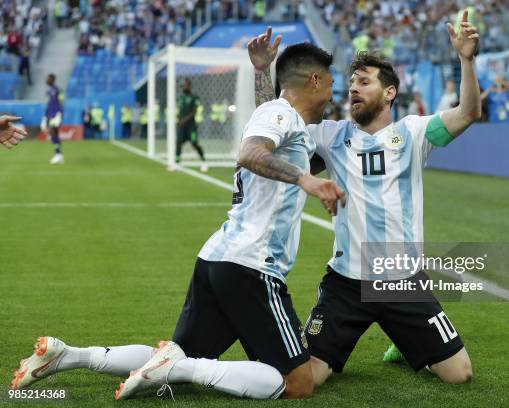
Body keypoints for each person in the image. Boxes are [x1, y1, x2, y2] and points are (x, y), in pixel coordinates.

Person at [11, 42, 345, 401]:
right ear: (314, 80)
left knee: (181, 351)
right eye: (330, 84)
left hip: (219, 259)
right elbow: (249, 153)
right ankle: (176, 368)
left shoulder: (276, 114)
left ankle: (71, 355)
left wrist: (261, 71)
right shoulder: (282, 115)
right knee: (298, 382)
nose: (331, 93)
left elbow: (268, 117)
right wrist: (306, 179)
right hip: (252, 266)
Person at [250, 13, 478, 387]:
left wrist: (466, 61)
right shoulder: (330, 134)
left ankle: (405, 345)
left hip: (402, 282)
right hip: (346, 282)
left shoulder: (414, 132)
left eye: (364, 82)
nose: (353, 88)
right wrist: (263, 73)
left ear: (389, 92)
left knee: (460, 376)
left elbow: (469, 112)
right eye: (352, 82)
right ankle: (401, 340)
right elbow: (274, 124)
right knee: (308, 378)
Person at [175, 79, 207, 172]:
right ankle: (177, 163)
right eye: (183, 85)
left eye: (185, 85)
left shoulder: (194, 97)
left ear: (189, 86)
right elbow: (179, 110)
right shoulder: (180, 98)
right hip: (181, 126)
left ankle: (204, 162)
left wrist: (184, 120)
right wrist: (178, 118)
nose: (184, 87)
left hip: (191, 126)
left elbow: (194, 111)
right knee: (178, 143)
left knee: (194, 143)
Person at [43, 74, 64, 164]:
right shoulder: (48, 91)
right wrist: (46, 116)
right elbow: (48, 105)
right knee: (54, 133)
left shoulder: (58, 90)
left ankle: (58, 154)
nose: (47, 80)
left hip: (56, 114)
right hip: (50, 115)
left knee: (52, 131)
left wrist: (60, 113)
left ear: (53, 79)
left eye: (49, 78)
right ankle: (59, 155)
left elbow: (61, 101)